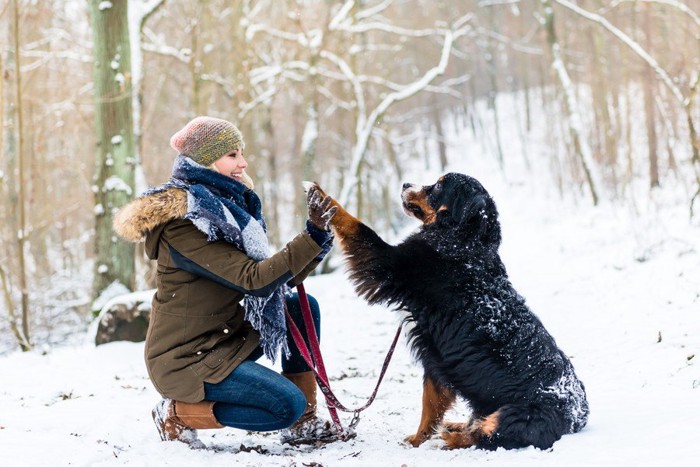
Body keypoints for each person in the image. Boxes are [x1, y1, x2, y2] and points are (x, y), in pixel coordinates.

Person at [113, 116, 340, 448]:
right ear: (206, 160)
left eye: (241, 152)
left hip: (225, 338)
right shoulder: (185, 224)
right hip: (186, 360)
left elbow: (273, 281)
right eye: (232, 154)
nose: (243, 162)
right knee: (283, 406)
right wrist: (308, 237)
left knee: (300, 309)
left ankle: (303, 425)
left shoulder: (227, 211)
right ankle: (176, 413)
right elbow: (254, 280)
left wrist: (317, 238)